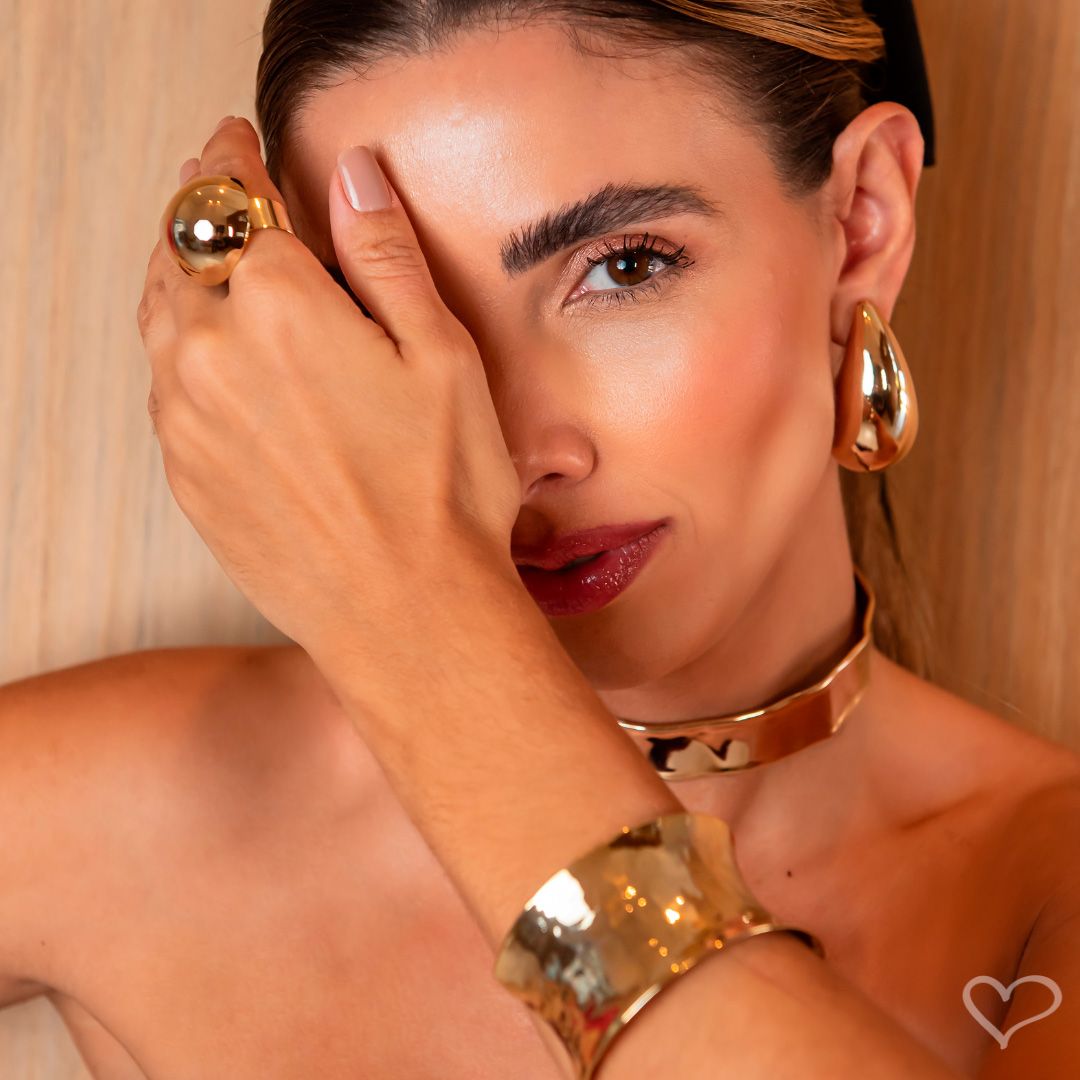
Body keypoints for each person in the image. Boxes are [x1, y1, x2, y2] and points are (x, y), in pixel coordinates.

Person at [3, 1, 1078, 1077]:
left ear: (863, 225)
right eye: (384, 316)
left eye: (625, 268)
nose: (509, 451)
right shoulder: (121, 811)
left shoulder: (1045, 897)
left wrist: (421, 636)